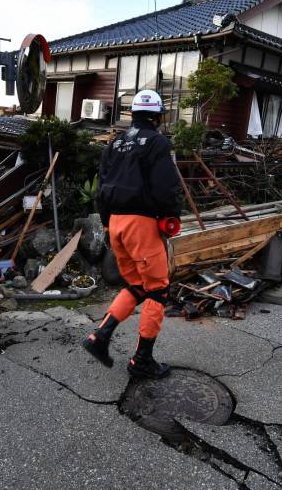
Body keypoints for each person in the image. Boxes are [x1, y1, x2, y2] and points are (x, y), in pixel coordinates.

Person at [82, 90, 181, 379]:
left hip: (115, 224)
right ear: (157, 116)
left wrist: (105, 222)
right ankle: (142, 361)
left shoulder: (115, 144)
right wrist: (171, 215)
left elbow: (102, 188)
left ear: (134, 114)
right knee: (158, 290)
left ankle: (99, 337)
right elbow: (165, 186)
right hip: (142, 225)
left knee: (137, 286)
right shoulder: (157, 142)